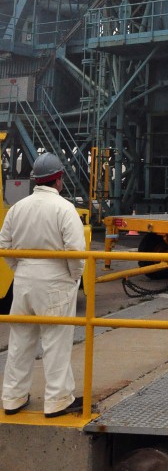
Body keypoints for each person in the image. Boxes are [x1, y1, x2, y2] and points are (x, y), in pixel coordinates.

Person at [0, 152, 86, 418]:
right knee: (55, 342)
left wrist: (22, 268)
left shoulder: (18, 208)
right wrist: (73, 278)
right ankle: (57, 400)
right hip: (56, 280)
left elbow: (4, 246)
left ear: (35, 180)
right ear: (58, 180)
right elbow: (76, 251)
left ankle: (13, 398)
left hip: (23, 281)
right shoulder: (64, 208)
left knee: (20, 341)